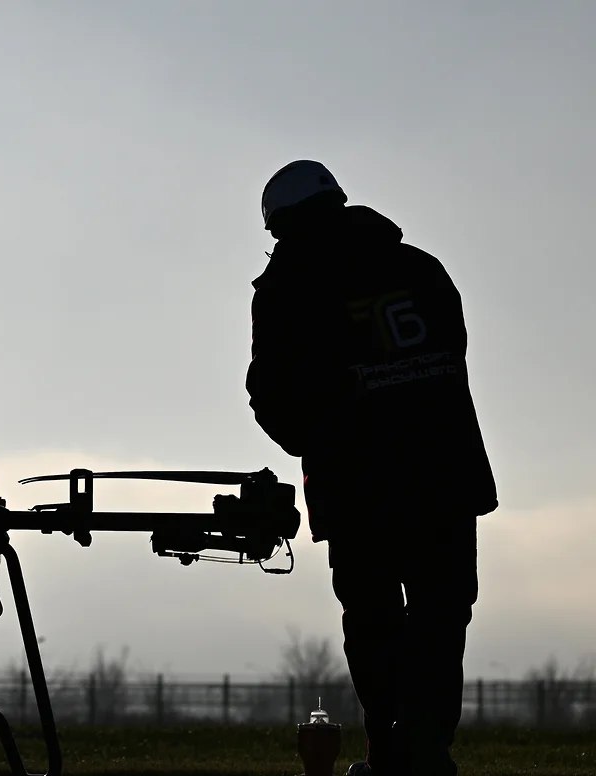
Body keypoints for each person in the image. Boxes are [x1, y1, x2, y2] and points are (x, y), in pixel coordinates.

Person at [245, 160, 498, 776]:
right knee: (441, 613)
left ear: (281, 225)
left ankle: (390, 749)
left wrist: (319, 440)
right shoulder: (421, 270)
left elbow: (269, 393)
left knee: (372, 615)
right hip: (442, 474)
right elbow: (452, 357)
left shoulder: (287, 289)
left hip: (357, 485)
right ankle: (428, 748)